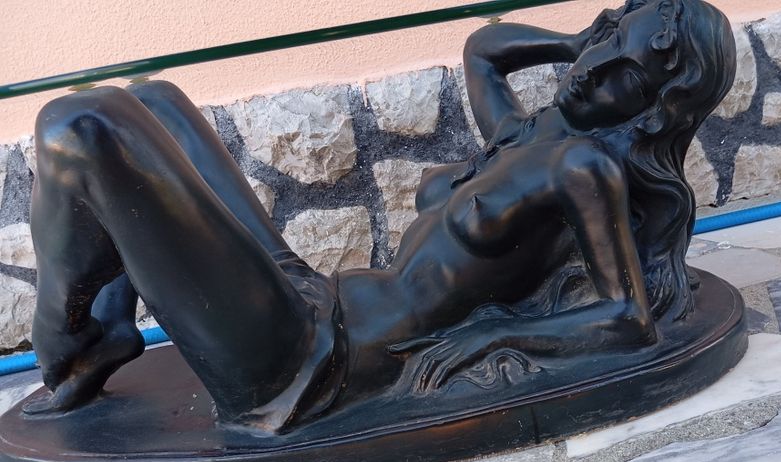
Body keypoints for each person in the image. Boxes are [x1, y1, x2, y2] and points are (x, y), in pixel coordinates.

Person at [23, 0, 736, 434]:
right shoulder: (527, 136)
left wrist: (499, 331)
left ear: (653, 109)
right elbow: (484, 51)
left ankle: (69, 330)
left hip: (311, 366)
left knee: (82, 125)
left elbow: (627, 318)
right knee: (154, 101)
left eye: (624, 76)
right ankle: (106, 323)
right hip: (315, 294)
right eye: (607, 40)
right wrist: (582, 42)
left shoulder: (581, 170)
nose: (593, 71)